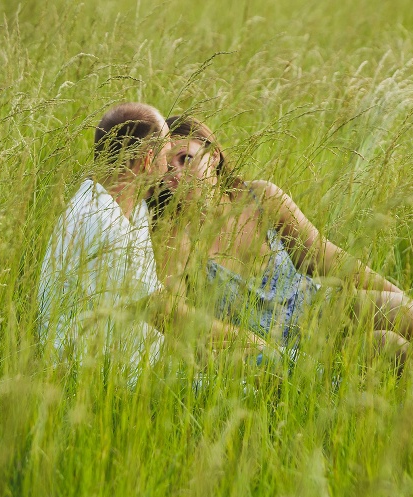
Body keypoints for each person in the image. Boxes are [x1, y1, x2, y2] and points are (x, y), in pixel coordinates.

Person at [149, 116, 413, 368]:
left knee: (409, 314)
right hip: (267, 345)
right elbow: (174, 315)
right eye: (167, 166)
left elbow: (326, 257)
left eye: (186, 159)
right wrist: (244, 343)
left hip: (320, 309)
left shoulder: (260, 197)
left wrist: (401, 295)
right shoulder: (173, 237)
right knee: (389, 346)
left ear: (214, 157)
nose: (176, 174)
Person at [37, 103, 264, 384]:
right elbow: (162, 312)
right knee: (265, 371)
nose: (170, 166)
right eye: (167, 154)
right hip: (103, 377)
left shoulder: (131, 207)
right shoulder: (101, 221)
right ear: (146, 161)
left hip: (146, 360)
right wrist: (249, 341)